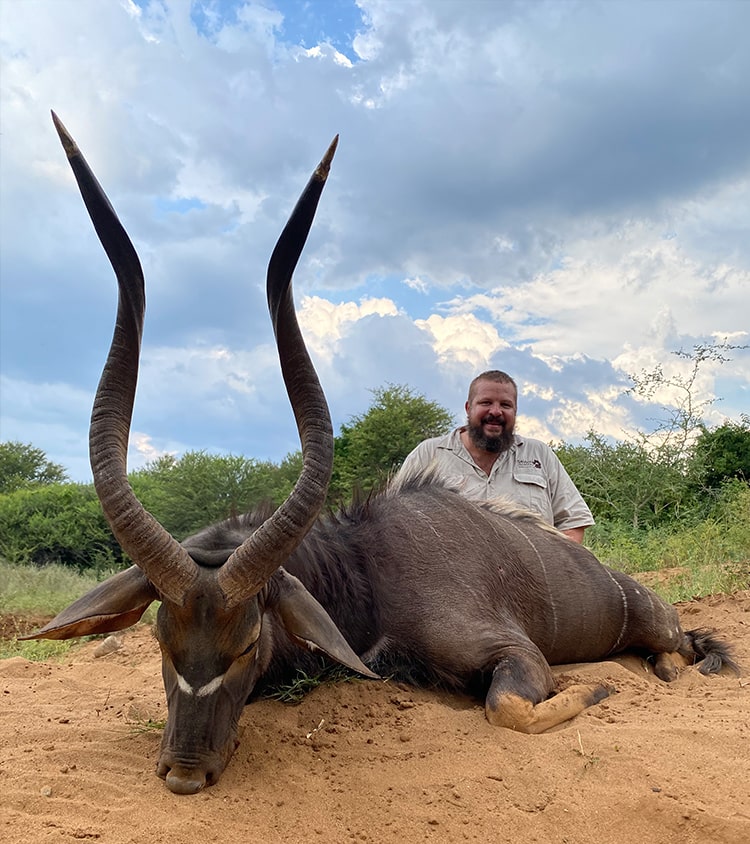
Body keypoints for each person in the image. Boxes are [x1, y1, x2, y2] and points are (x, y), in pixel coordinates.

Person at [397, 370, 594, 543]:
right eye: (486, 402)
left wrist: (554, 567)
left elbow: (573, 523)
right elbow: (396, 523)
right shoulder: (428, 454)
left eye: (506, 405)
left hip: (531, 574)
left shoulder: (539, 454)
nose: (496, 411)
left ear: (515, 411)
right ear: (468, 408)